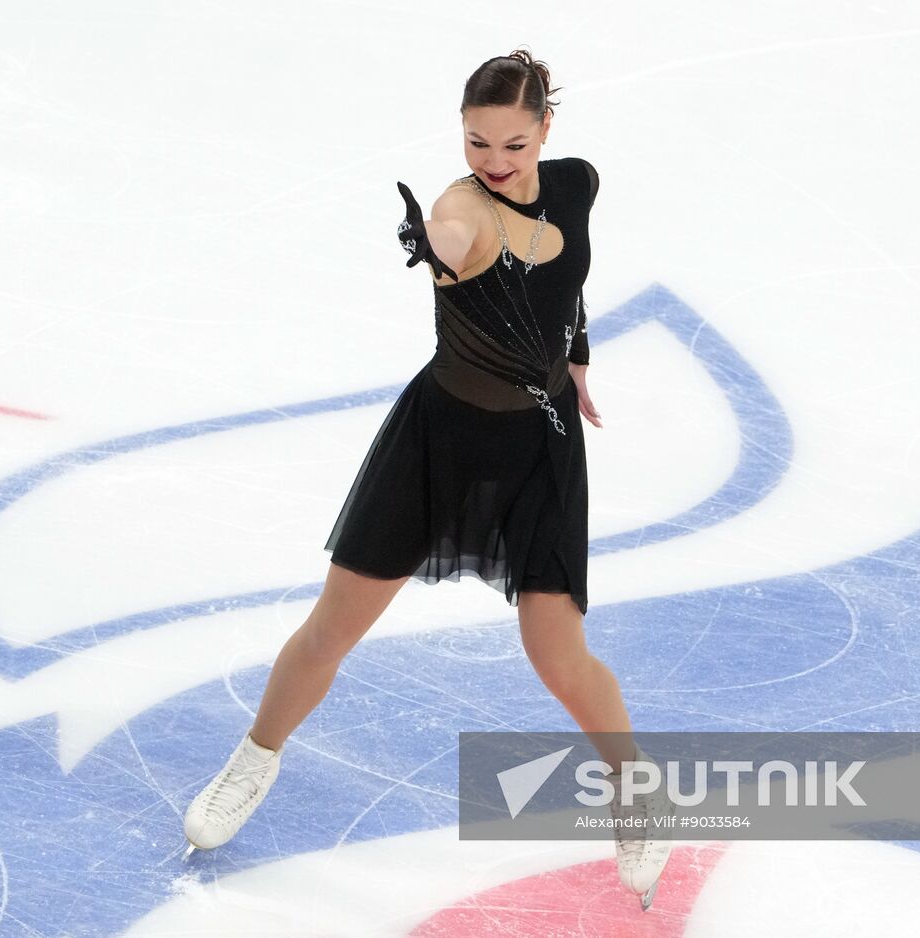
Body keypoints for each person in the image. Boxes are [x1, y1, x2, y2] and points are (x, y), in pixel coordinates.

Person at [182, 48, 674, 911]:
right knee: (334, 625)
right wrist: (437, 247)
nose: (493, 162)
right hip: (437, 443)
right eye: (477, 142)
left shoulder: (576, 184)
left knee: (557, 655)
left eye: (513, 145)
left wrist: (579, 356)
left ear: (546, 131)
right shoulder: (460, 213)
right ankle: (254, 760)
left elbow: (572, 281)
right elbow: (453, 237)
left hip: (541, 446)